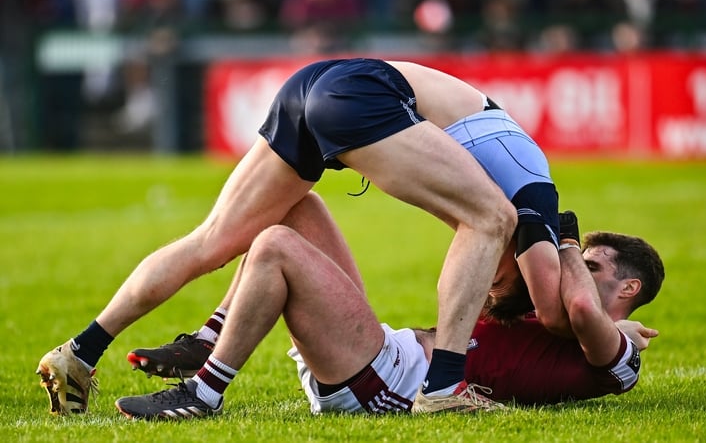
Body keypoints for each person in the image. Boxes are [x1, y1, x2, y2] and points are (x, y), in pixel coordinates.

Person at [38, 57, 565, 415]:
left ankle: (81, 352)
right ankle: (446, 387)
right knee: (492, 220)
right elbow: (559, 306)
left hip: (317, 82)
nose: (486, 291)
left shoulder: (507, 165)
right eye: (496, 286)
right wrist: (612, 328)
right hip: (365, 93)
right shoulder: (536, 202)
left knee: (214, 239)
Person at [113, 203, 664, 419]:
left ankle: (203, 392)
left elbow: (580, 309)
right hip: (381, 352)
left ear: (629, 287)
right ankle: (211, 336)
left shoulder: (617, 356)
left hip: (392, 385)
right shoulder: (560, 316)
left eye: (594, 267)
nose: (576, 271)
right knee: (293, 205)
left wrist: (564, 242)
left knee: (278, 246)